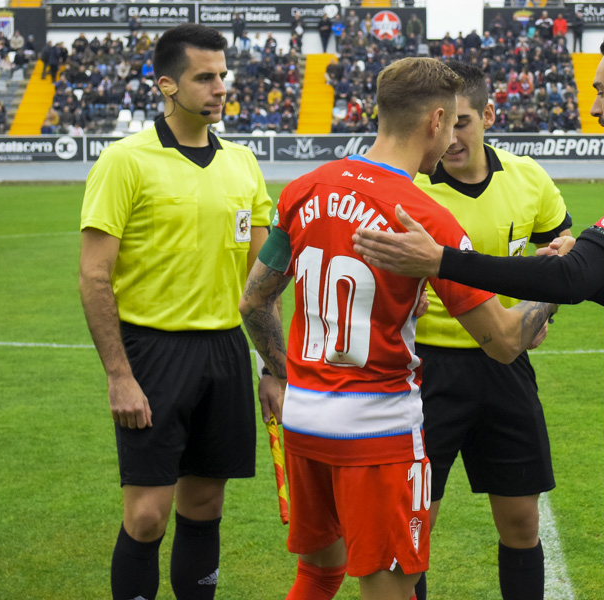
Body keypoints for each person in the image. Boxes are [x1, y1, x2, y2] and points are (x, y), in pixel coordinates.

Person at [353, 24, 604, 600]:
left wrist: (443, 261)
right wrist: (575, 268)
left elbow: (574, 273)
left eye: (601, 90)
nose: (594, 107)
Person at [238, 57, 556, 600]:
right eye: (451, 123)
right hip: (376, 433)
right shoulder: (424, 219)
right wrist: (551, 284)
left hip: (306, 420)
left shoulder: (304, 189)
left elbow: (253, 303)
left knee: (317, 574)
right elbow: (503, 341)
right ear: (435, 121)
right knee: (389, 586)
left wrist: (280, 374)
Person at [78, 24, 275, 600]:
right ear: (167, 85)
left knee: (206, 506)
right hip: (152, 352)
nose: (220, 88)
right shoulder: (125, 161)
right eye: (205, 77)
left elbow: (261, 282)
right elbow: (94, 275)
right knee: (146, 517)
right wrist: (119, 375)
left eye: (223, 75)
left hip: (224, 351)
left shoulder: (242, 163)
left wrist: (275, 367)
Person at [405, 60, 572, 600]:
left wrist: (541, 314)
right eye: (443, 124)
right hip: (426, 373)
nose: (452, 137)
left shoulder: (529, 179)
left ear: (488, 115)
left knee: (522, 523)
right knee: (413, 528)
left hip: (506, 366)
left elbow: (562, 253)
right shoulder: (410, 188)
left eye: (464, 122)